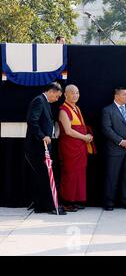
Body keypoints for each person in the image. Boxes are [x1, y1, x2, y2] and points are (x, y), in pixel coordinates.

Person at [24, 82, 66, 215]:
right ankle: (48, 206)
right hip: (38, 146)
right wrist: (43, 136)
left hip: (44, 146)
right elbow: (32, 121)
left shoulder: (45, 102)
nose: (57, 99)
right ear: (51, 91)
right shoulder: (39, 101)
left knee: (44, 177)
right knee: (45, 176)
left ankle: (41, 205)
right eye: (57, 96)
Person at [102, 87, 126, 211]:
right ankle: (109, 202)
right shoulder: (108, 110)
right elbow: (106, 129)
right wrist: (121, 141)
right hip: (115, 150)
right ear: (116, 96)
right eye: (124, 95)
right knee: (112, 177)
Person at [58, 85, 93, 212]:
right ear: (65, 95)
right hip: (69, 147)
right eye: (72, 93)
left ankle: (77, 199)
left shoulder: (76, 108)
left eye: (77, 93)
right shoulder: (63, 110)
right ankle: (66, 201)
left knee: (79, 173)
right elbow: (68, 131)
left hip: (79, 147)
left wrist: (86, 137)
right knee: (70, 174)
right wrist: (84, 137)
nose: (75, 95)